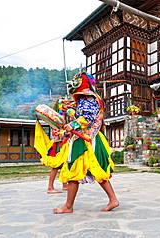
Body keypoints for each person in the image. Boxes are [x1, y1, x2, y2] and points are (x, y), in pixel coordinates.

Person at [52, 72, 119, 213]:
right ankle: (113, 199)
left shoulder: (87, 97)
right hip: (89, 138)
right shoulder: (87, 98)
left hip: (86, 140)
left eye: (75, 82)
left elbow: (87, 118)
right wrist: (71, 111)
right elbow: (83, 115)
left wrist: (73, 125)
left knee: (74, 168)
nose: (71, 86)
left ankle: (68, 206)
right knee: (96, 170)